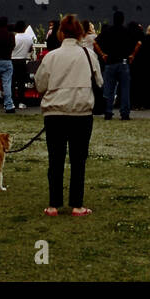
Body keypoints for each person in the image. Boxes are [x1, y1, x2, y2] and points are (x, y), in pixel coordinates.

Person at [35, 14, 103, 216]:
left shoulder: (51, 56)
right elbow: (99, 82)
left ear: (61, 33)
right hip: (82, 114)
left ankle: (53, 205)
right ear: (81, 33)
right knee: (78, 160)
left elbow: (40, 85)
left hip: (55, 114)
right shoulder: (89, 55)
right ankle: (77, 205)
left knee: (55, 159)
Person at [98, 10, 138, 121]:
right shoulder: (126, 31)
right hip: (123, 62)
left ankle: (108, 112)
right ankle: (125, 113)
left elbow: (95, 42)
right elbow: (137, 43)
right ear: (123, 19)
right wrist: (132, 55)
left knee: (109, 89)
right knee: (125, 90)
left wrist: (102, 54)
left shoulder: (108, 31)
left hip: (110, 62)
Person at [12, 21, 36, 110]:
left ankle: (13, 102)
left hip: (13, 60)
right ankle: (22, 102)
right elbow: (30, 49)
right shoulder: (29, 38)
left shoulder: (14, 37)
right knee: (22, 83)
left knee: (12, 83)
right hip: (23, 61)